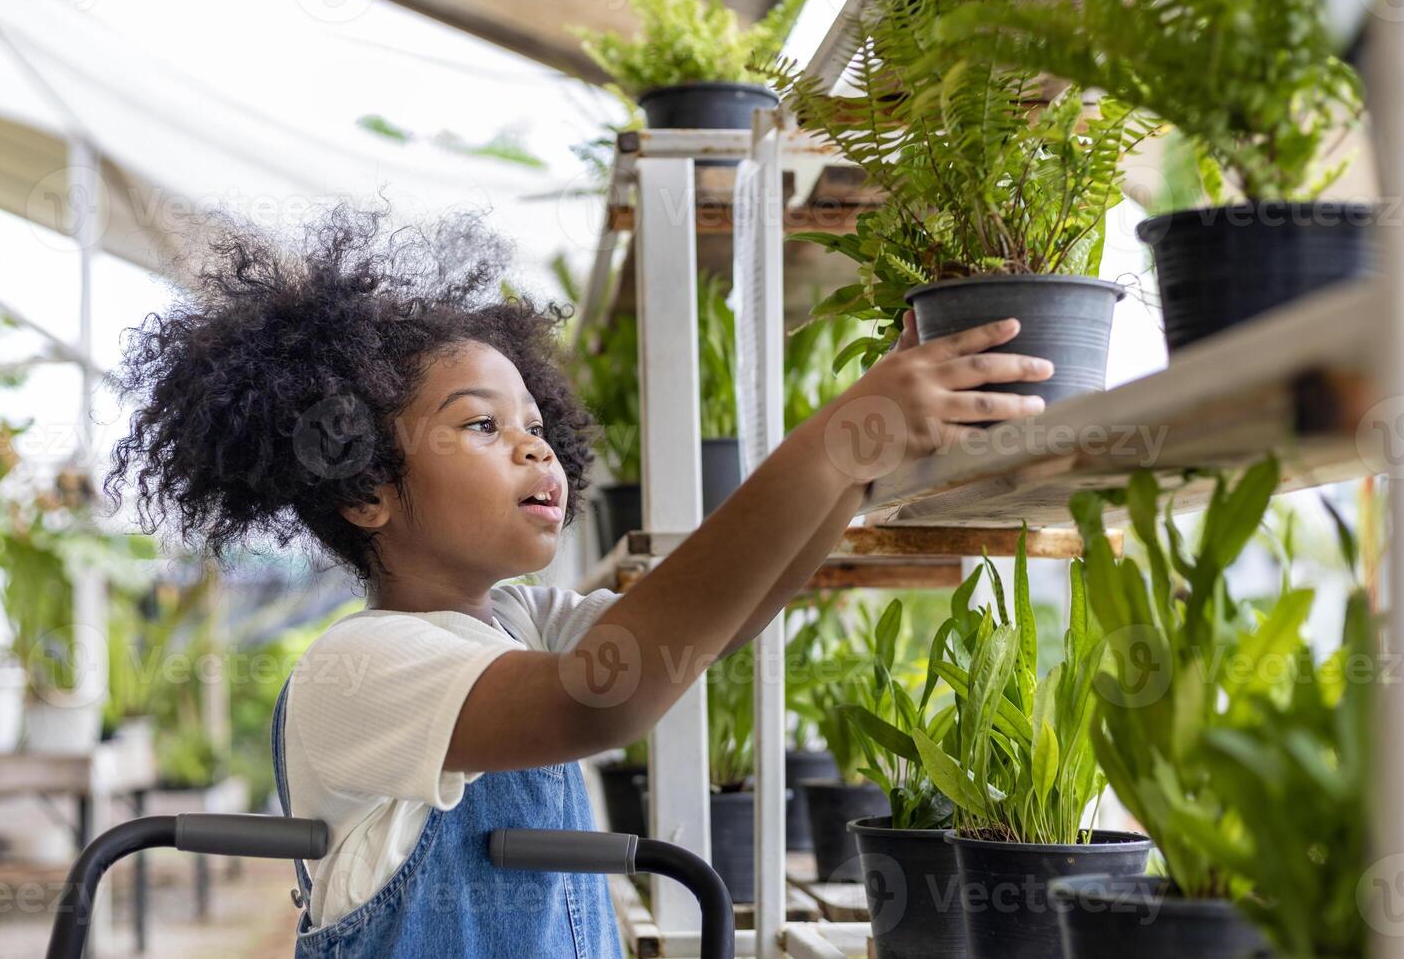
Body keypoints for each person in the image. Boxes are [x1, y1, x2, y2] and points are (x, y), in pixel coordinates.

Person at [106, 202, 1052, 957]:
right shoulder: (357, 668)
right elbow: (608, 693)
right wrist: (831, 442)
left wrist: (853, 472)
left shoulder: (516, 619)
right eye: (483, 426)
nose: (533, 446)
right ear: (365, 491)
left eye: (537, 425)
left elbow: (714, 621)